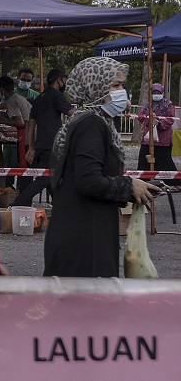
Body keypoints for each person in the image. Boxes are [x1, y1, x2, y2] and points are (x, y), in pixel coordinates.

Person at [44, 57, 160, 278]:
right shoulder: (91, 124)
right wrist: (128, 186)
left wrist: (133, 189)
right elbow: (88, 180)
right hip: (84, 245)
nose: (121, 92)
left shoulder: (86, 121)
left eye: (122, 85)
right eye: (115, 85)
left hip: (80, 237)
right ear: (93, 86)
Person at [13, 68, 75, 207]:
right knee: (46, 178)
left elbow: (31, 124)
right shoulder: (56, 96)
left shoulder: (39, 98)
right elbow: (73, 113)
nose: (65, 84)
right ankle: (19, 202)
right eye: (64, 81)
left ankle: (62, 207)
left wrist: (31, 148)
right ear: (58, 80)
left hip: (40, 146)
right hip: (52, 146)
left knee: (53, 179)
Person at [136, 82, 177, 173]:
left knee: (164, 160)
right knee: (144, 159)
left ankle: (172, 181)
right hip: (148, 137)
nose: (156, 95)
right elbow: (140, 116)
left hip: (163, 138)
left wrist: (158, 122)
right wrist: (149, 118)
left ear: (162, 93)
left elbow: (171, 118)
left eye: (158, 93)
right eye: (154, 93)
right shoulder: (148, 105)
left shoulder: (168, 105)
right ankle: (144, 180)